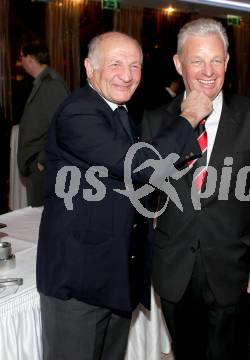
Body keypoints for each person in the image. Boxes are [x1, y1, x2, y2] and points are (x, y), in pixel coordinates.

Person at [37, 31, 206, 360]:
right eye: (115, 64)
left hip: (113, 277)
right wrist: (188, 117)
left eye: (135, 66)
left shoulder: (121, 113)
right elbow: (140, 166)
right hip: (78, 284)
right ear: (89, 67)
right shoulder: (79, 111)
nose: (127, 75)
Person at [142, 18, 250, 360]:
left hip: (232, 267)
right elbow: (145, 190)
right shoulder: (155, 121)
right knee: (187, 352)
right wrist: (185, 122)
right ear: (178, 63)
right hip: (175, 268)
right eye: (197, 61)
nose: (208, 71)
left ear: (228, 62)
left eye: (216, 60)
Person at [17, 42, 70, 207]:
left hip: (43, 167)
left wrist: (43, 158)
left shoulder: (51, 84)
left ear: (31, 58)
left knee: (40, 220)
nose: (21, 62)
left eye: (22, 57)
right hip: (39, 166)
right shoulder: (42, 82)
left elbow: (63, 126)